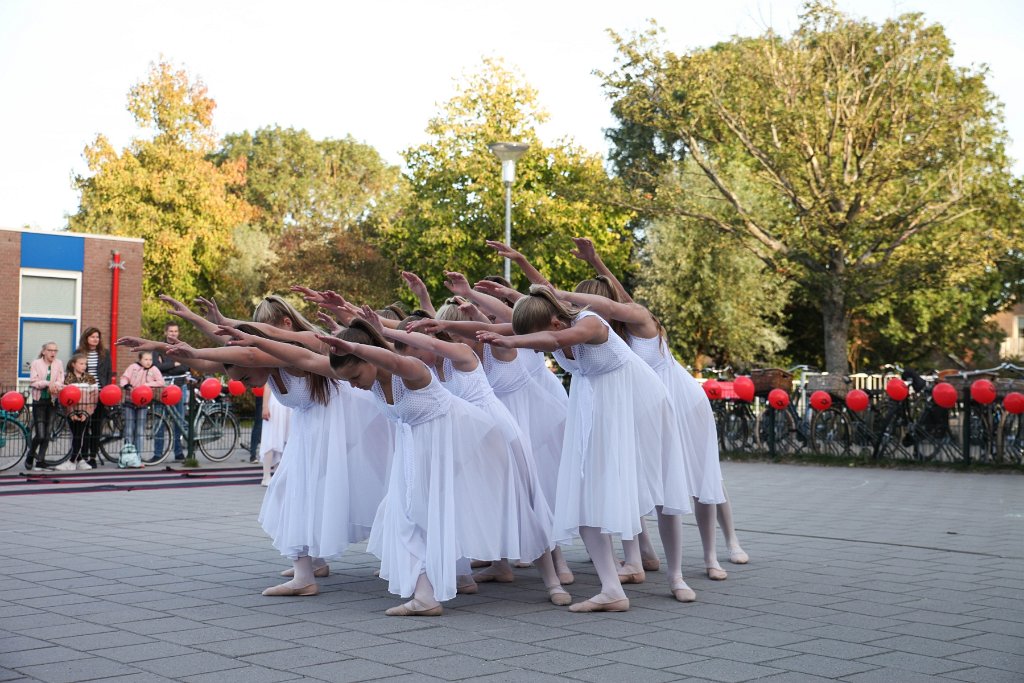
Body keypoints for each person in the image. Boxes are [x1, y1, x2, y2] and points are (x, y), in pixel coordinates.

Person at [477, 287, 691, 612]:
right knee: (583, 492)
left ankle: (677, 576)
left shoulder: (589, 323)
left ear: (555, 321)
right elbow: (501, 326)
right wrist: (456, 312)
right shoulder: (548, 325)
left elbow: (552, 342)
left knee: (661, 489)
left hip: (639, 404)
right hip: (595, 406)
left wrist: (512, 342)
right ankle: (611, 589)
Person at [55, 353, 98, 471]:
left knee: (80, 435)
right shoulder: (67, 378)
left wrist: (86, 413)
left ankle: (72, 461)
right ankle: (79, 460)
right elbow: (63, 398)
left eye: (85, 364)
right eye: (81, 363)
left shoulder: (90, 379)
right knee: (75, 436)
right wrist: (71, 413)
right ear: (73, 364)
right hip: (72, 412)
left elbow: (94, 399)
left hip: (84, 413)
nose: (84, 366)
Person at [76, 327, 111, 468]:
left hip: (100, 394)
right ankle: (83, 456)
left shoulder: (105, 353)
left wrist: (107, 390)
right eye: (92, 337)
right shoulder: (79, 353)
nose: (95, 339)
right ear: (86, 338)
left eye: (97, 337)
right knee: (83, 426)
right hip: (84, 393)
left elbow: (108, 372)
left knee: (96, 426)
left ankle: (93, 456)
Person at [26, 341, 64, 471]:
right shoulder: (36, 363)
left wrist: (56, 386)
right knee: (40, 434)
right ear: (44, 352)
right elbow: (33, 381)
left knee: (48, 433)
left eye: (55, 350)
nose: (53, 353)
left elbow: (61, 381)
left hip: (52, 401)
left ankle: (40, 460)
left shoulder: (59, 363)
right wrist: (48, 383)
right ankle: (30, 455)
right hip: (39, 401)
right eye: (50, 350)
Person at [119, 351, 165, 457]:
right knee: (129, 430)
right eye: (146, 359)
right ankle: (128, 455)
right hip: (130, 401)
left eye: (150, 360)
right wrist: (126, 385)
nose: (148, 362)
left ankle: (138, 455)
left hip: (143, 402)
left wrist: (147, 385)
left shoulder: (154, 369)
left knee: (140, 430)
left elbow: (161, 382)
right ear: (140, 359)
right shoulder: (133, 367)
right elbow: (124, 378)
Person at [153, 322, 188, 461]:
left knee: (178, 421)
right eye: (171, 331)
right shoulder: (158, 348)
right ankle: (157, 453)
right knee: (159, 421)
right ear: (165, 332)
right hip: (162, 388)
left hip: (179, 387)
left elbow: (185, 367)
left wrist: (165, 366)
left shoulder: (182, 348)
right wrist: (174, 364)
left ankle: (178, 452)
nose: (173, 333)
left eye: (176, 331)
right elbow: (156, 367)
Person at [259, 385, 291, 486]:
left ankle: (277, 474)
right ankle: (266, 476)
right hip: (276, 403)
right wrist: (265, 406)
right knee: (271, 438)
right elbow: (268, 384)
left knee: (281, 440)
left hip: (287, 403)